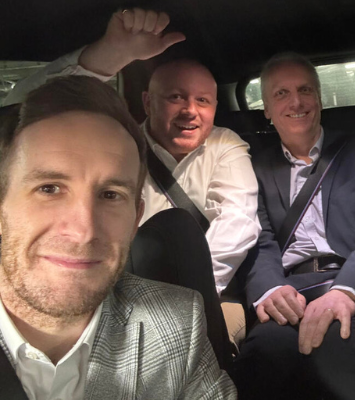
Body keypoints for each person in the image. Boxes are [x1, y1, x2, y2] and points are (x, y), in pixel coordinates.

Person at [4, 8, 260, 344]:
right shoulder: (117, 146)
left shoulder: (225, 145)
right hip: (112, 284)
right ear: (148, 102)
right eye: (176, 97)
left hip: (209, 291)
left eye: (203, 100)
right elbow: (18, 112)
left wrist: (188, 291)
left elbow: (238, 221)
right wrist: (108, 55)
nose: (190, 110)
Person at [0, 75, 236, 399]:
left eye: (111, 195)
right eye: (49, 189)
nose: (83, 232)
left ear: (136, 218)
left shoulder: (176, 325)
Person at [231, 52, 355, 400]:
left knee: (340, 353)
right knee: (262, 357)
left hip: (351, 285)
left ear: (319, 98)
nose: (296, 102)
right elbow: (258, 238)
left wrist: (347, 290)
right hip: (288, 292)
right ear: (266, 109)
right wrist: (269, 289)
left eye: (305, 90)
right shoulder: (255, 166)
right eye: (282, 93)